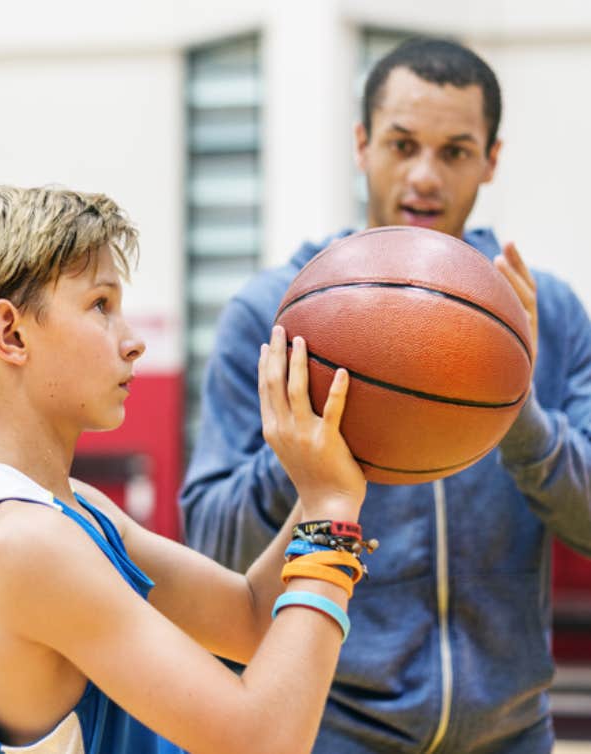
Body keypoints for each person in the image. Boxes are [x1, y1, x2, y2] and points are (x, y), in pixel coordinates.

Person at [180, 37, 591, 754]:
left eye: (456, 151)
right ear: (362, 144)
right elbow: (212, 547)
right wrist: (306, 448)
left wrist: (516, 409)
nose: (424, 176)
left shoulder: (544, 317)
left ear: (492, 159)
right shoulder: (272, 313)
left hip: (511, 733)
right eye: (402, 144)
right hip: (331, 732)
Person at [0, 184, 370, 754]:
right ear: (11, 334)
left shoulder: (74, 508)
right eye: (100, 305)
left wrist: (327, 484)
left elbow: (253, 619)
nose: (135, 342)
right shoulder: (21, 544)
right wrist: (331, 515)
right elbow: (262, 742)